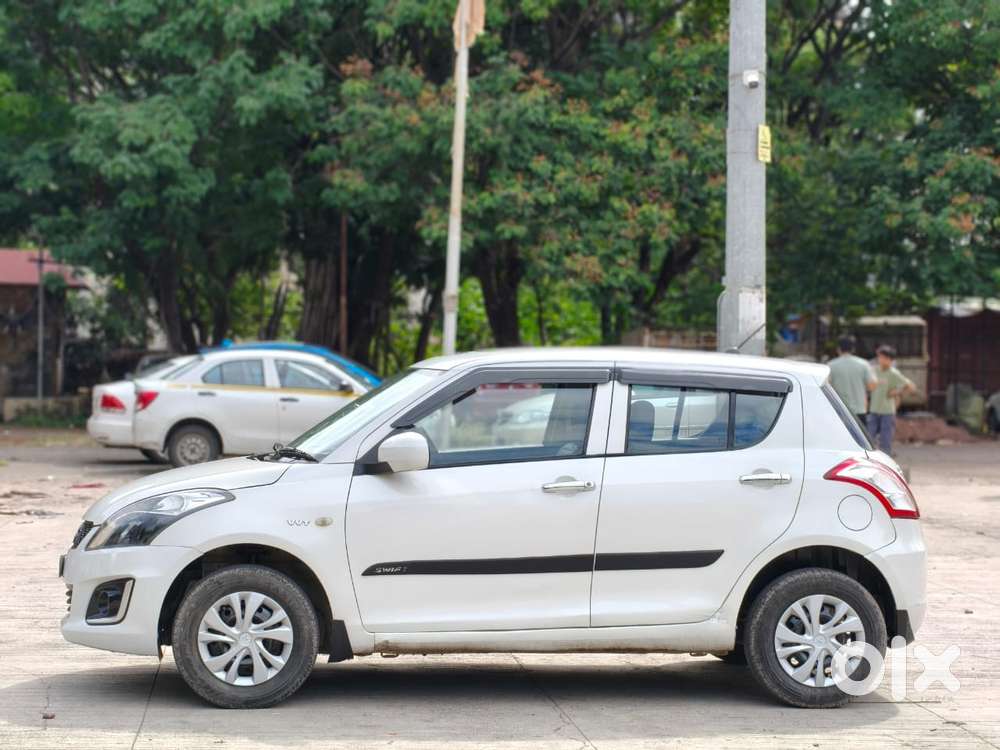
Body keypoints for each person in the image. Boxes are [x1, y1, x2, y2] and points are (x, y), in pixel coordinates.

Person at [867, 344, 915, 455]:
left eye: (883, 358)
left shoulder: (894, 373)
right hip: (874, 410)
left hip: (887, 412)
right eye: (879, 357)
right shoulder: (873, 370)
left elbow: (911, 387)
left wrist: (897, 392)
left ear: (890, 360)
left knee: (885, 440)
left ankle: (886, 460)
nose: (880, 360)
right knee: (869, 438)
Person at [828, 336, 876, 427]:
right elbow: (872, 386)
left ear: (838, 349)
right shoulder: (864, 364)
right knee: (858, 440)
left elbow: (827, 386)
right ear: (853, 349)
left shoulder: (830, 365)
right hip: (859, 410)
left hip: (839, 410)